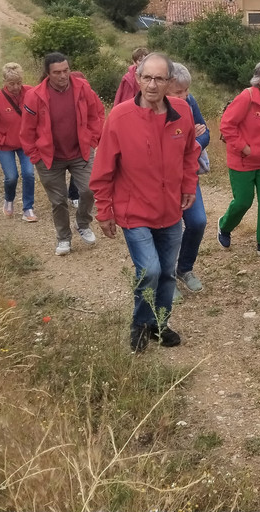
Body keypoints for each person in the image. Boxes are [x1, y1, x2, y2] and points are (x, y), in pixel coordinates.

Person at [90, 53, 200, 353]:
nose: (152, 85)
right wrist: (104, 209)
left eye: (159, 79)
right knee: (149, 270)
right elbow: (103, 169)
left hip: (170, 210)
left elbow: (191, 152)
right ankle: (140, 323)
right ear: (137, 79)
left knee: (166, 273)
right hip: (133, 210)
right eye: (147, 78)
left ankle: (159, 325)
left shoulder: (181, 111)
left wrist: (189, 184)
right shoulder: (120, 117)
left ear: (169, 82)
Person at [20, 52, 105, 256]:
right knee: (58, 201)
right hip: (49, 157)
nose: (63, 75)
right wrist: (35, 155)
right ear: (48, 74)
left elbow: (97, 114)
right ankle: (63, 238)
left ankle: (83, 223)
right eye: (57, 72)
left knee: (89, 190)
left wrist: (93, 139)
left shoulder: (82, 88)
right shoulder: (34, 96)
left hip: (80, 152)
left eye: (66, 70)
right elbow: (26, 130)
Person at [217, 59, 260, 257]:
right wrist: (244, 148)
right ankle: (224, 226)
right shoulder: (246, 97)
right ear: (259, 79)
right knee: (243, 202)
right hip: (242, 161)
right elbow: (227, 125)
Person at [167, 62, 210, 293]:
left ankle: (184, 268)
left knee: (197, 221)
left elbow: (207, 133)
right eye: (178, 92)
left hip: (187, 173)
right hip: (162, 178)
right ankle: (166, 278)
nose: (184, 96)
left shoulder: (190, 103)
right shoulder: (155, 108)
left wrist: (192, 144)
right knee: (169, 228)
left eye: (186, 91)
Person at [0, 62, 37, 221]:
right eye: (11, 83)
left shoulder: (30, 92)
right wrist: (1, 139)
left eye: (19, 82)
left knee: (29, 173)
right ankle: (9, 199)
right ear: (4, 81)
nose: (15, 87)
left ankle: (28, 208)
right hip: (4, 145)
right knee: (11, 176)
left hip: (25, 142)